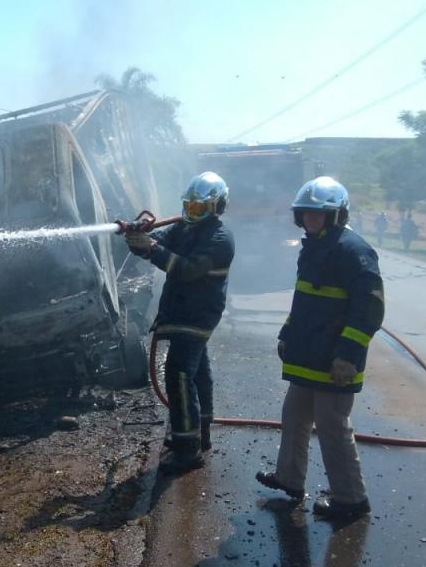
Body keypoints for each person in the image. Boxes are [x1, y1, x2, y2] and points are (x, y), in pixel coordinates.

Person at [255, 177, 385, 519]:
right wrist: (287, 333)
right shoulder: (313, 247)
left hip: (334, 360)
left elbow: (369, 310)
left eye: (318, 213)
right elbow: (304, 301)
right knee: (294, 417)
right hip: (308, 356)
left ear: (336, 215)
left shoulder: (354, 251)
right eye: (306, 213)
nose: (311, 218)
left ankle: (351, 499)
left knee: (332, 426)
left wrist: (348, 355)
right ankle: (289, 478)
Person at [125, 172, 235, 471]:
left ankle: (187, 450)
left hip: (198, 315)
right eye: (189, 206)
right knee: (197, 373)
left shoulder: (220, 238)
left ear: (216, 207)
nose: (192, 213)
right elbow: (157, 242)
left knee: (179, 374)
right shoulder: (184, 229)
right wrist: (136, 238)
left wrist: (151, 248)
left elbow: (187, 269)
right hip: (182, 311)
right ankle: (199, 434)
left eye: (199, 208)